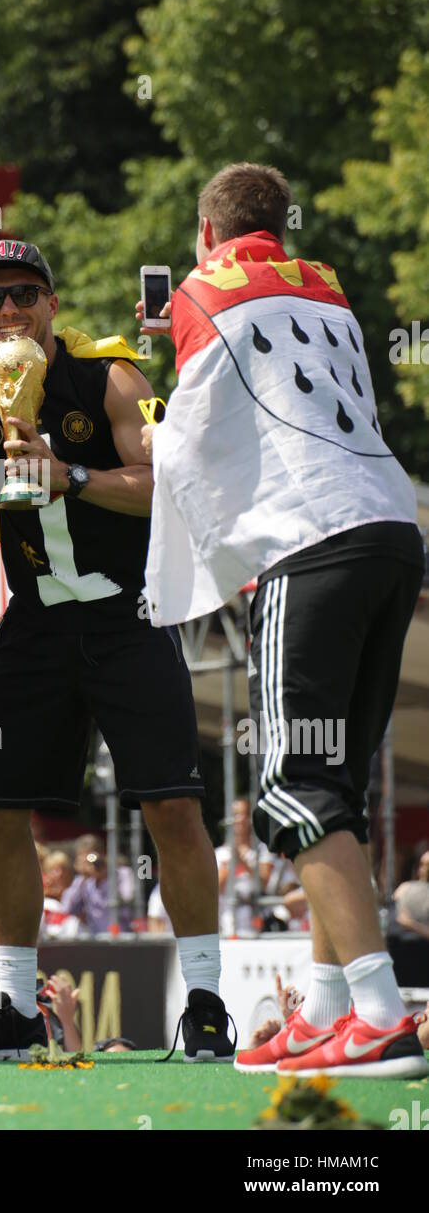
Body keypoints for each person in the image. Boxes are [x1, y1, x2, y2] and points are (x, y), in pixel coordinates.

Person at [138, 162, 428, 1079]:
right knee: (336, 781)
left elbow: (187, 437)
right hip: (391, 526)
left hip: (312, 543)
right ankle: (329, 1009)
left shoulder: (199, 291)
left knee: (292, 787)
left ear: (204, 230)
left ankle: (382, 1014)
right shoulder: (328, 288)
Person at [0, 239, 233, 1062]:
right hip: (35, 619)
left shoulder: (109, 377)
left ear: (53, 304)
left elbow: (164, 483)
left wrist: (74, 479)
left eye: (25, 295)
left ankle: (204, 1002)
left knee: (170, 805)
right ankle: (16, 1004)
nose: (10, 312)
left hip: (127, 614)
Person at [215, 797, 275, 936]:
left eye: (245, 814)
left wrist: (244, 863)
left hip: (258, 922)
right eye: (236, 815)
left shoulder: (262, 851)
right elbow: (216, 889)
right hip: (229, 923)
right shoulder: (220, 853)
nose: (241, 819)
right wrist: (230, 866)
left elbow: (264, 884)